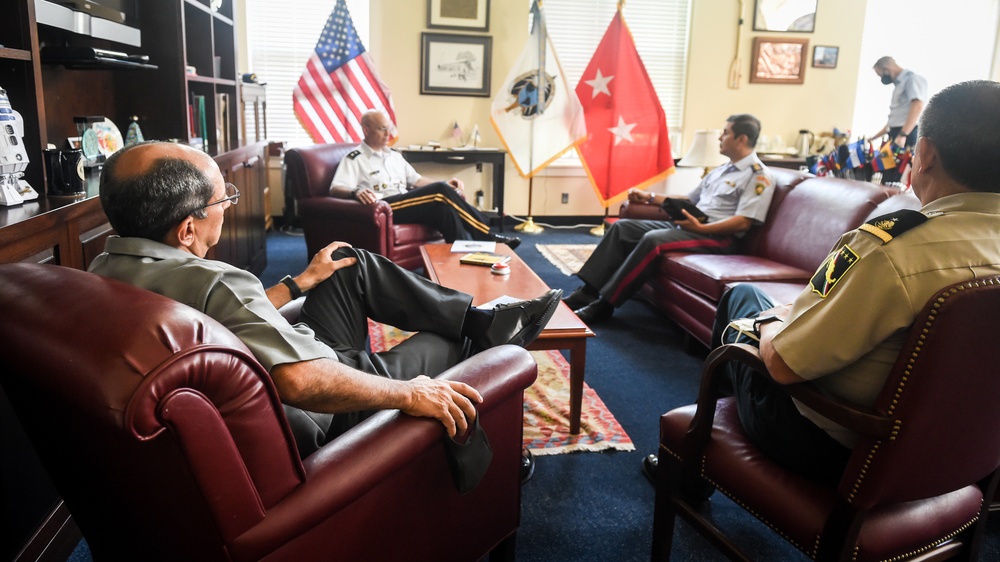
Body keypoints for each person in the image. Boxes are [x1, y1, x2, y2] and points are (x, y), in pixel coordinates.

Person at [89, 141, 562, 461]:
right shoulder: (218, 281)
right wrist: (412, 393)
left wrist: (299, 283)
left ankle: (477, 319)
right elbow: (301, 380)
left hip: (277, 368)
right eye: (222, 201)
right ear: (187, 228)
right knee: (448, 346)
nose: (228, 209)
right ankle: (489, 451)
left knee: (347, 263)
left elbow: (224, 322)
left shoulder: (102, 272)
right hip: (320, 402)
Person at [643, 80, 1000, 485]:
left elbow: (783, 364)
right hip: (967, 454)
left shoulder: (892, 248)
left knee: (743, 301)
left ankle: (687, 471)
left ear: (927, 154)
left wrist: (772, 322)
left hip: (841, 445)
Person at [564, 114, 776, 324]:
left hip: (719, 237)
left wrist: (701, 228)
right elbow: (689, 199)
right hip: (693, 225)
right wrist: (650, 197)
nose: (720, 137)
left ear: (742, 139)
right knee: (623, 228)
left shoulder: (758, 176)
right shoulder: (721, 170)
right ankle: (588, 291)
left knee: (653, 240)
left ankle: (605, 305)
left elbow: (743, 221)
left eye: (726, 133)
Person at [330, 110, 521, 249]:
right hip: (384, 207)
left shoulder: (394, 156)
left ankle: (464, 257)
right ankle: (485, 234)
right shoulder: (355, 158)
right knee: (439, 191)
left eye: (389, 129)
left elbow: (417, 180)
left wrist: (446, 185)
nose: (388, 134)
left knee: (444, 209)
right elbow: (336, 188)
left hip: (405, 203)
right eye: (382, 129)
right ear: (366, 130)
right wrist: (356, 192)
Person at [870, 56, 928, 184]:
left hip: (905, 134)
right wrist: (874, 138)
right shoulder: (899, 84)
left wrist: (903, 135)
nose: (882, 79)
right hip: (896, 133)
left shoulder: (911, 80)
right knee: (887, 174)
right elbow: (895, 119)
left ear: (886, 68)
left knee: (896, 178)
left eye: (881, 75)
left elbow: (917, 106)